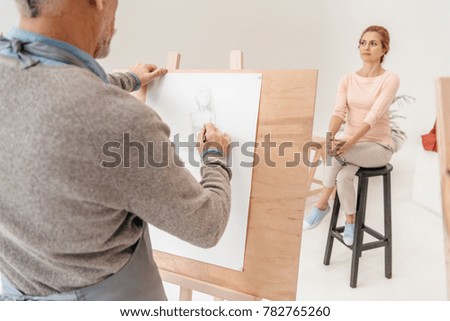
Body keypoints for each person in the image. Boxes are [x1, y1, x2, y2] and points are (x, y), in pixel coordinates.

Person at [0, 0, 231, 300]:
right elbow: (206, 226)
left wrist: (126, 80)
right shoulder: (119, 121)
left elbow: (42, 88)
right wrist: (215, 155)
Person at [303, 25, 400, 246]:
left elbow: (374, 116)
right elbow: (338, 113)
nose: (366, 47)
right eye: (363, 42)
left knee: (336, 156)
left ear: (384, 49)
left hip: (378, 147)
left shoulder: (390, 79)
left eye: (373, 43)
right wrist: (330, 137)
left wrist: (349, 143)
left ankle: (320, 205)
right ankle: (350, 220)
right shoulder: (347, 79)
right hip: (351, 147)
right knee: (342, 177)